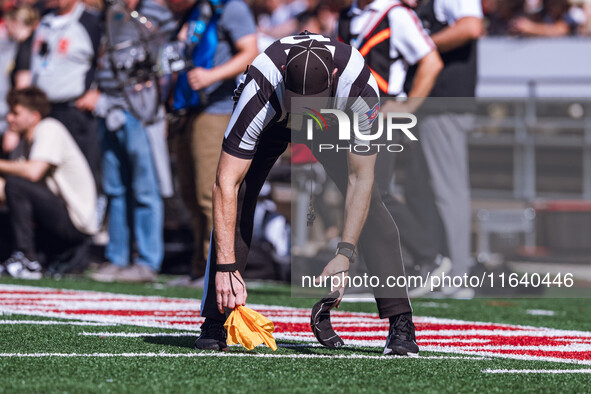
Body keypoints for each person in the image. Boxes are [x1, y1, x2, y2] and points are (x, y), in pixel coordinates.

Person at [195, 32, 419, 357]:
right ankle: (216, 319)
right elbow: (224, 183)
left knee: (375, 208)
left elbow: (361, 179)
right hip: (274, 117)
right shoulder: (261, 84)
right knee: (239, 197)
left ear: (334, 79)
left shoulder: (358, 88)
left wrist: (344, 255)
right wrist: (226, 268)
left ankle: (401, 321)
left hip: (329, 120)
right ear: (284, 75)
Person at [338, 0, 448, 298]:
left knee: (374, 192)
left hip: (382, 111)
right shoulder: (350, 15)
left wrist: (407, 106)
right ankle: (363, 270)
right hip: (351, 114)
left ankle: (429, 258)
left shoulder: (395, 14)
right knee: (352, 190)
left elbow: (431, 61)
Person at [167, 0, 258, 287]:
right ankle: (198, 267)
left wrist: (212, 76)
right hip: (188, 110)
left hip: (215, 110)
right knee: (189, 194)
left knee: (210, 194)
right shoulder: (194, 11)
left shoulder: (231, 8)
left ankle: (214, 269)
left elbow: (251, 53)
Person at [85, 0, 176, 283]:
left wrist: (159, 105)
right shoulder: (107, 14)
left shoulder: (155, 13)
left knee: (145, 189)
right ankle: (118, 257)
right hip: (106, 107)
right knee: (114, 188)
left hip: (139, 112)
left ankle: (147, 261)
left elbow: (170, 57)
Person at [404, 0, 483, 297]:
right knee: (418, 189)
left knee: (447, 189)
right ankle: (436, 267)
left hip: (446, 102)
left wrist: (417, 45)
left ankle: (459, 275)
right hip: (428, 102)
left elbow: (471, 26)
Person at [0, 87, 97, 279]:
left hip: (75, 223)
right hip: (52, 220)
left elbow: (32, 173)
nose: (9, 118)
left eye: (15, 113)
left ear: (34, 116)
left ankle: (27, 260)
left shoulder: (49, 128)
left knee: (15, 185)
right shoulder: (23, 143)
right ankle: (17, 258)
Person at [29, 0, 101, 182]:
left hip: (74, 110)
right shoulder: (44, 21)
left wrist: (98, 90)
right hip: (43, 110)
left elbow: (106, 59)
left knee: (80, 172)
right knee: (48, 174)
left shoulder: (91, 22)